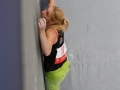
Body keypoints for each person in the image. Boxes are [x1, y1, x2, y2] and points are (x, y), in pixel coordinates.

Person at [38, 0, 70, 90]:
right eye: (46, 10)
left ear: (51, 22)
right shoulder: (58, 22)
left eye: (46, 13)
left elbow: (47, 51)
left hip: (55, 73)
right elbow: (51, 4)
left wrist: (41, 31)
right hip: (65, 65)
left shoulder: (51, 32)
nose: (43, 11)